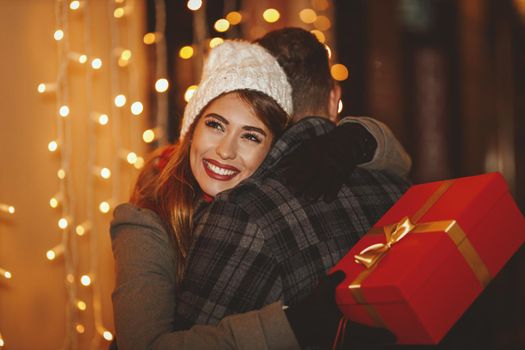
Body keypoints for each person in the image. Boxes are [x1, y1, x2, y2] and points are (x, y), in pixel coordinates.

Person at [111, 39, 396, 349]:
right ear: (192, 129)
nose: (225, 150)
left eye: (250, 136)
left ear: (271, 151)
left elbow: (402, 162)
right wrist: (290, 325)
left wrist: (362, 135)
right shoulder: (148, 216)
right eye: (216, 125)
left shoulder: (258, 206)